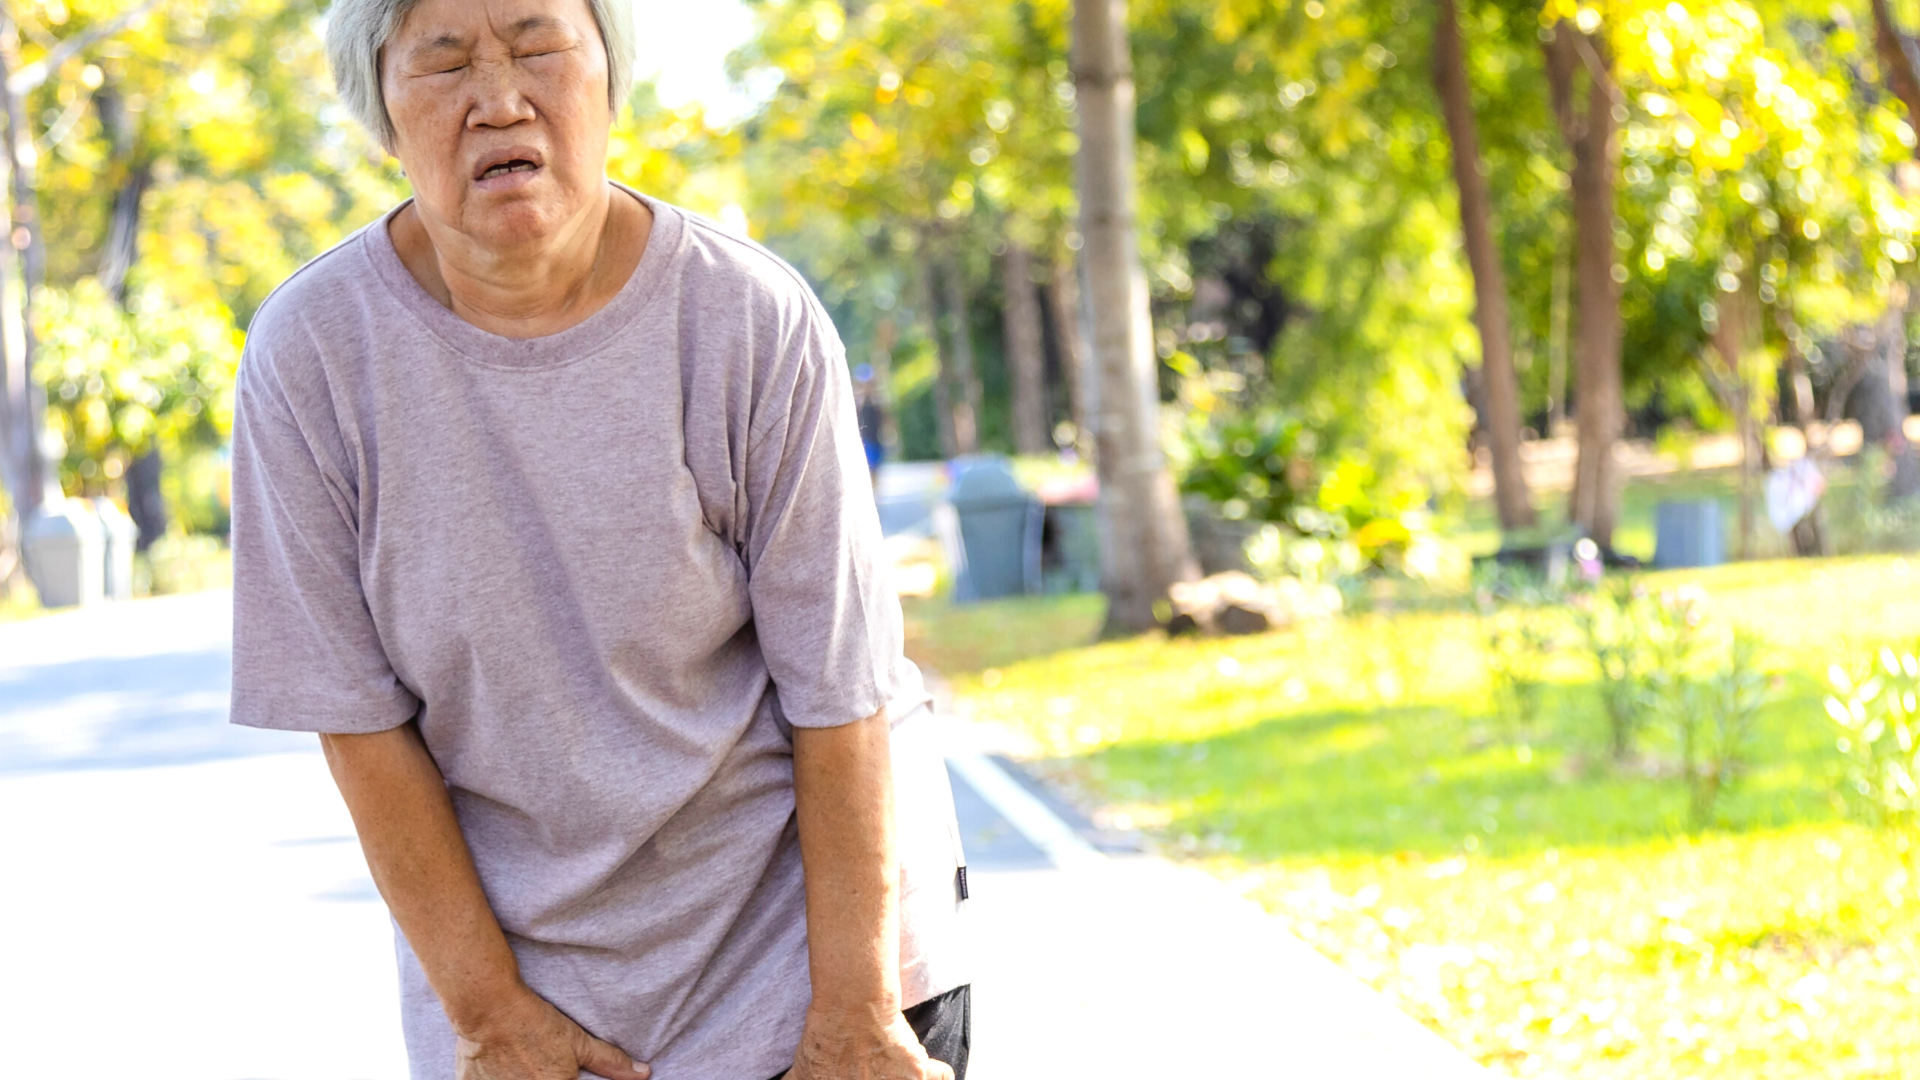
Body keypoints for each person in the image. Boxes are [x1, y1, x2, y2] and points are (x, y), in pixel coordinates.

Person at [225, 2, 969, 1079]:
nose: (499, 99)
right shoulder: (314, 359)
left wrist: (852, 1013)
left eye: (537, 49)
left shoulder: (749, 320)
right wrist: (490, 1016)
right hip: (530, 1003)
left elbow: (839, 687)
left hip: (812, 962)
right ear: (382, 117)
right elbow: (359, 719)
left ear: (609, 82)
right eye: (443, 63)